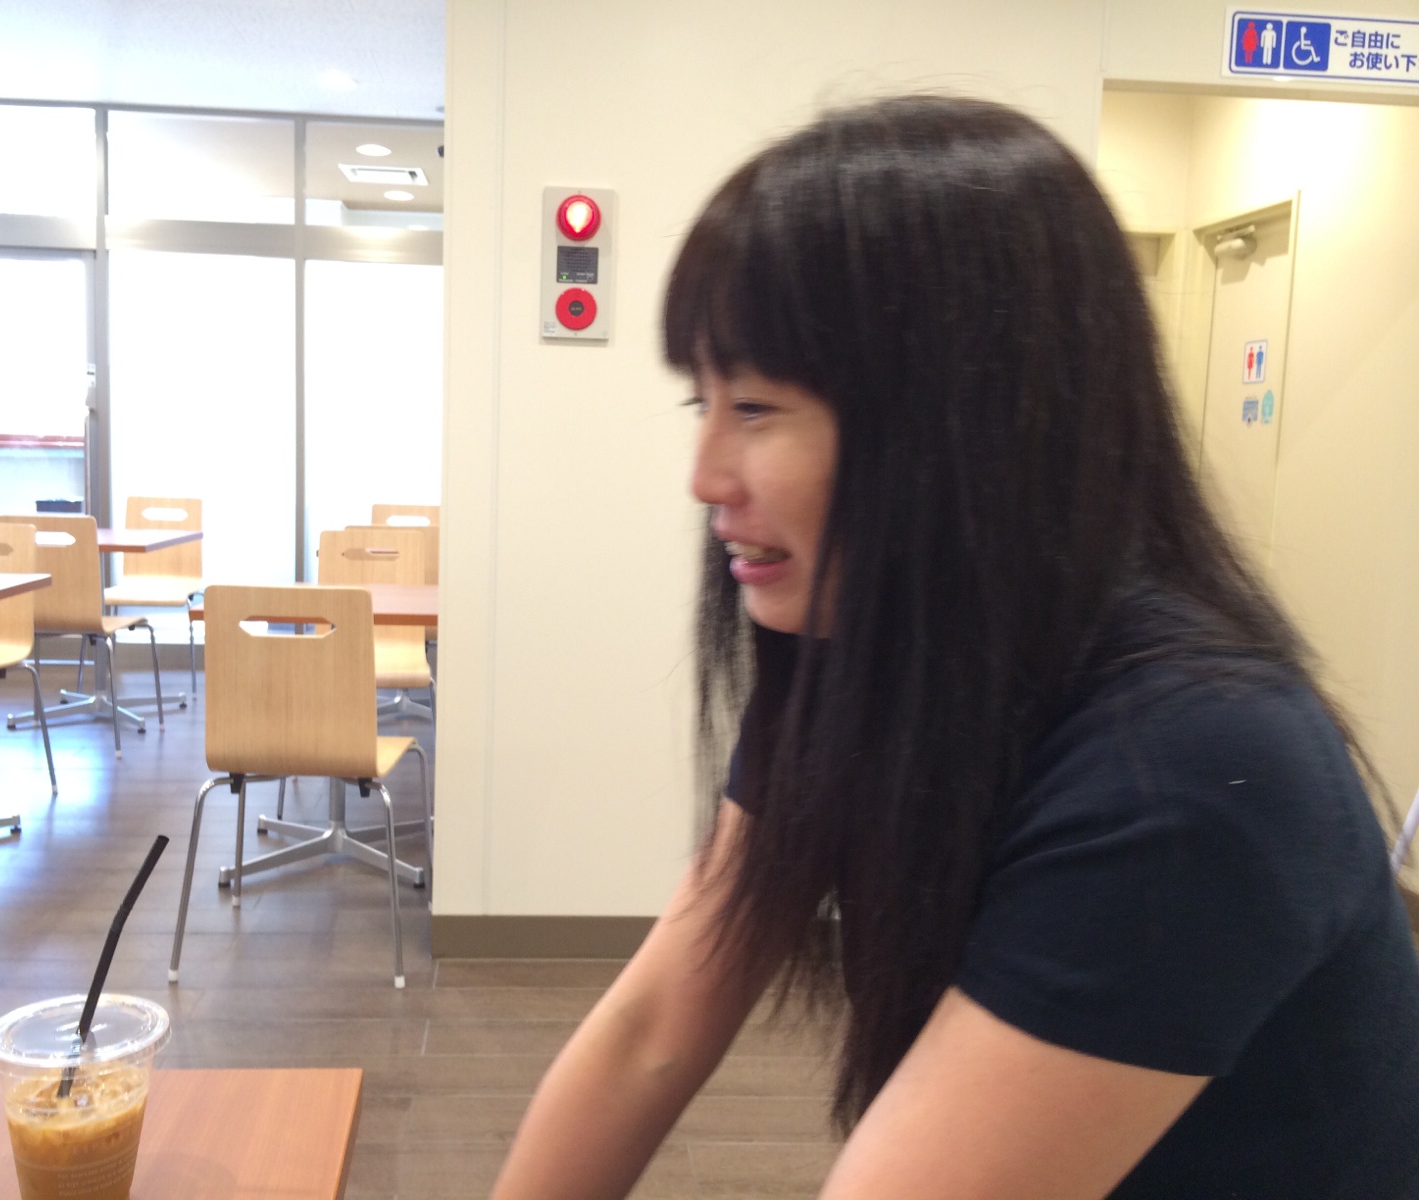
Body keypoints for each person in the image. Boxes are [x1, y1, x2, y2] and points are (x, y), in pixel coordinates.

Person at [490, 96, 1419, 1198]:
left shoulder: (1188, 764)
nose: (704, 477)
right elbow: (652, 1028)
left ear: (957, 421)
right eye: (704, 403)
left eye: (757, 407)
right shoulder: (857, 654)